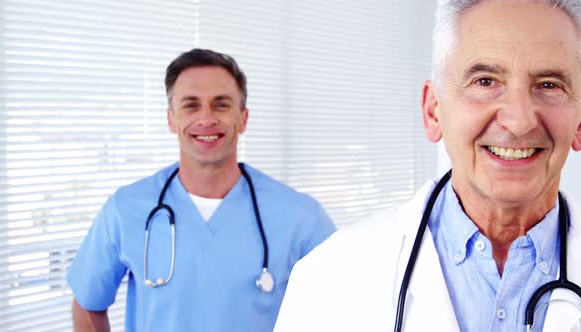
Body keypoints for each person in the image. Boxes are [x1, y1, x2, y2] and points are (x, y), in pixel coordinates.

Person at [274, 1, 581, 331]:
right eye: (485, 81)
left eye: (549, 84)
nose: (519, 121)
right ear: (434, 111)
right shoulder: (328, 278)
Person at [67, 48, 336, 332]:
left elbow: (347, 302)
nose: (206, 118)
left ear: (243, 118)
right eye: (191, 105)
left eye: (221, 105)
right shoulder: (125, 210)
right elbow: (87, 305)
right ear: (172, 119)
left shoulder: (300, 216)